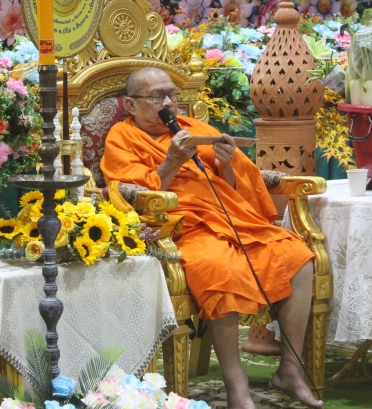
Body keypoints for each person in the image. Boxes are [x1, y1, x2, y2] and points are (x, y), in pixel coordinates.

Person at [101, 67, 322, 409]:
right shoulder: (121, 137)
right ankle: (237, 385)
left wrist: (227, 163)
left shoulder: (195, 130)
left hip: (232, 220)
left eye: (171, 95)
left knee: (297, 257)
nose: (168, 103)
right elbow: (131, 193)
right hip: (180, 227)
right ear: (131, 105)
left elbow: (235, 188)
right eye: (157, 97)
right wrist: (172, 161)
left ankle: (290, 370)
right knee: (219, 269)